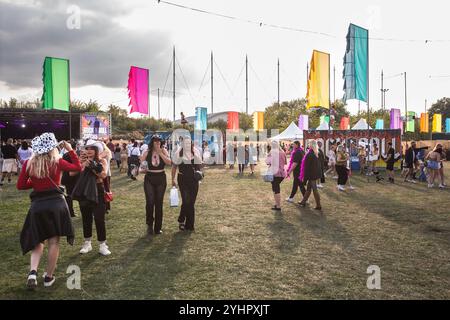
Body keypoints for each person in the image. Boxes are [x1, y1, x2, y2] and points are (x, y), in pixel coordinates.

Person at [17, 133, 81, 289]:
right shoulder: (57, 161)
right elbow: (77, 167)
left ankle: (32, 272)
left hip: (37, 206)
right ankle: (48, 277)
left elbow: (20, 185)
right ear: (52, 147)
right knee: (54, 242)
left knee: (37, 241)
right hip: (56, 205)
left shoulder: (28, 163)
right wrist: (71, 150)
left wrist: (37, 182)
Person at [75, 140, 111, 256]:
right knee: (86, 218)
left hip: (98, 191)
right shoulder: (82, 162)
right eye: (87, 148)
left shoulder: (102, 161)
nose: (89, 150)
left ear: (96, 151)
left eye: (92, 148)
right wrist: (83, 163)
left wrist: (93, 166)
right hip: (85, 191)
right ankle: (87, 243)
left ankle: (102, 245)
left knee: (99, 219)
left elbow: (103, 175)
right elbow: (75, 173)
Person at [141, 135, 172, 236]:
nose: (158, 143)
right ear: (152, 142)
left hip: (161, 178)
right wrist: (142, 168)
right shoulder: (147, 152)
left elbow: (169, 162)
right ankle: (149, 225)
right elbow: (142, 165)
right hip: (149, 178)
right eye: (155, 141)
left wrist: (160, 153)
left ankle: (158, 228)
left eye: (159, 141)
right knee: (150, 202)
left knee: (159, 203)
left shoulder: (164, 151)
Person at [171, 136, 203, 231]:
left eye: (189, 143)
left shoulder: (195, 151)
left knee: (191, 202)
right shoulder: (179, 153)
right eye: (186, 143)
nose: (188, 145)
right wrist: (173, 179)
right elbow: (174, 167)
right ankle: (182, 220)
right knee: (186, 201)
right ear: (183, 144)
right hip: (182, 179)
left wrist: (197, 157)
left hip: (193, 180)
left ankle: (189, 225)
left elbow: (201, 165)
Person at [298, 140, 322, 210]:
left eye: (309, 144)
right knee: (309, 189)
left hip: (312, 175)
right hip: (316, 173)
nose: (308, 145)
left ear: (311, 145)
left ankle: (318, 205)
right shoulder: (317, 152)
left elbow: (307, 167)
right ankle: (303, 202)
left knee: (314, 189)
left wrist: (304, 178)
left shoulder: (310, 154)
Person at [266, 140, 287, 212]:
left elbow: (267, 162)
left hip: (275, 173)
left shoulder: (272, 152)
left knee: (276, 189)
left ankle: (278, 206)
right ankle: (277, 204)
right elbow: (285, 162)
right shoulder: (283, 153)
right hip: (282, 173)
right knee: (276, 189)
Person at [61, 140, 80, 217]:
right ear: (76, 146)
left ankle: (71, 212)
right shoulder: (77, 154)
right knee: (79, 194)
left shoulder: (65, 155)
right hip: (76, 177)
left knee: (69, 195)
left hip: (66, 177)